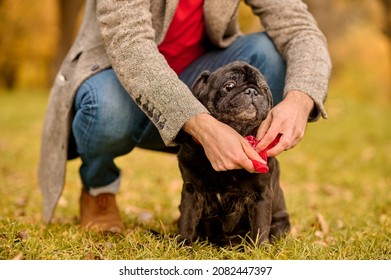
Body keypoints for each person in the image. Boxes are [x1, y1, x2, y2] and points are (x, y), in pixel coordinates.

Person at [39, 0, 331, 233]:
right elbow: (128, 42)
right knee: (105, 109)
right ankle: (99, 188)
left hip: (202, 75)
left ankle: (233, 183)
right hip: (118, 75)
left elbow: (299, 29)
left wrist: (300, 98)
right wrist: (201, 124)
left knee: (268, 54)